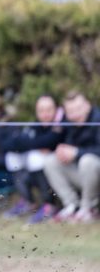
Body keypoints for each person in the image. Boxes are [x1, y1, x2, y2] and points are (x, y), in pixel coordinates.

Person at [0, 94, 63, 223]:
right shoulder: (36, 125)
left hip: (60, 168)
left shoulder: (62, 124)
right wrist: (34, 143)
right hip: (35, 172)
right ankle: (28, 202)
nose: (45, 114)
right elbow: (8, 144)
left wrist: (31, 143)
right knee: (12, 156)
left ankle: (49, 205)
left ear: (56, 109)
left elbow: (49, 140)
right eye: (41, 110)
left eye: (49, 109)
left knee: (35, 157)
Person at [43, 91, 100, 223]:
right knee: (51, 161)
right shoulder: (68, 123)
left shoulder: (98, 119)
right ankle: (72, 206)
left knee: (88, 160)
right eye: (71, 111)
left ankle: (89, 208)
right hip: (84, 176)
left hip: (95, 171)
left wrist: (77, 152)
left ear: (88, 105)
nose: (76, 113)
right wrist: (62, 151)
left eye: (79, 108)